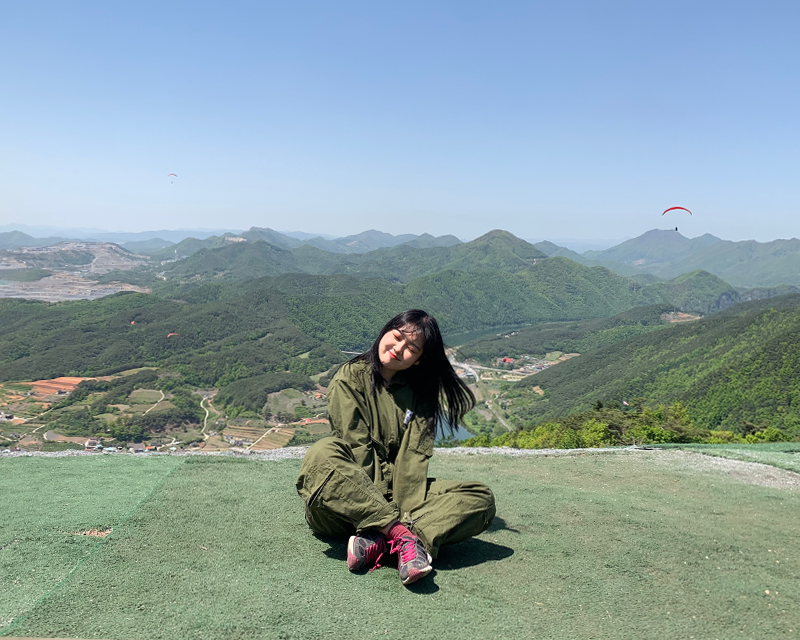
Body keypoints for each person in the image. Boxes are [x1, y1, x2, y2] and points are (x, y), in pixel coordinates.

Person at [296, 310, 496, 586]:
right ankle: (403, 537)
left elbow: (414, 460)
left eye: (412, 348)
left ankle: (382, 541)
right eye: (397, 337)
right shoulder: (350, 379)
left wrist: (397, 507)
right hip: (348, 506)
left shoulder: (421, 394)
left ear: (419, 359)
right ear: (385, 331)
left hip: (402, 496)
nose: (399, 349)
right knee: (323, 452)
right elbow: (358, 450)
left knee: (480, 497)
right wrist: (390, 516)